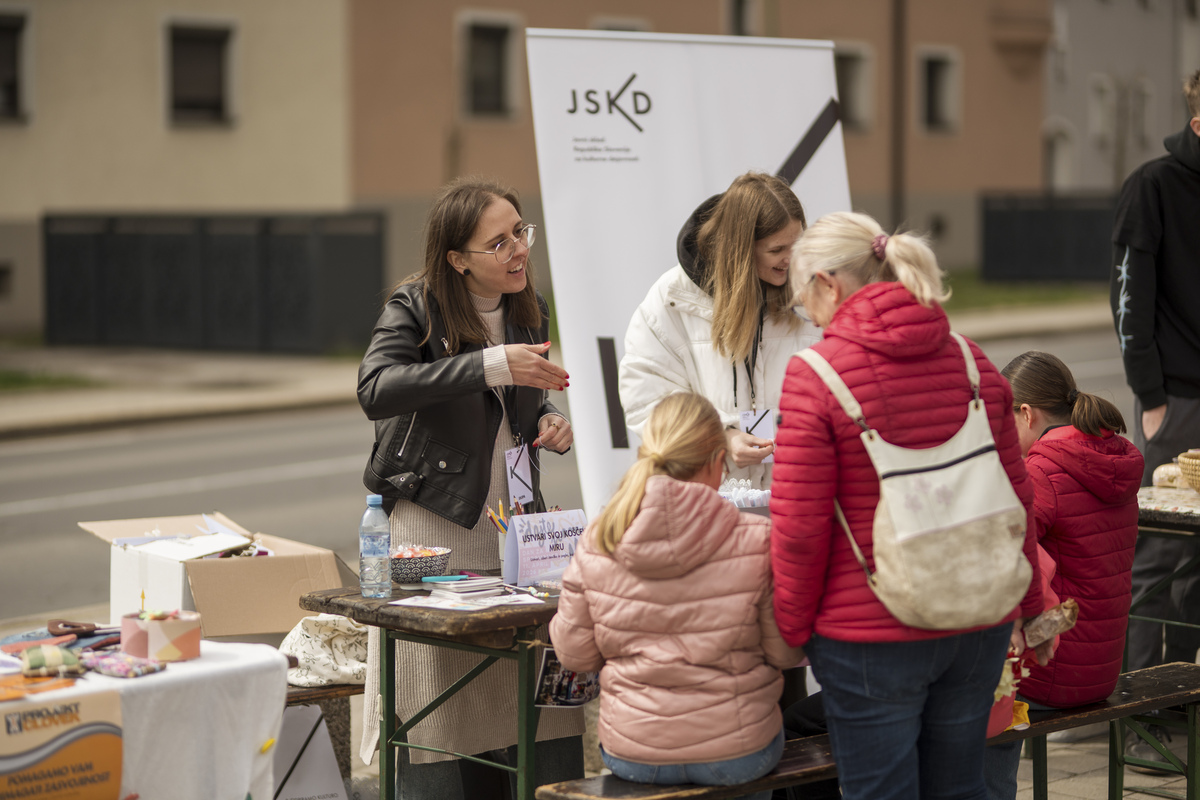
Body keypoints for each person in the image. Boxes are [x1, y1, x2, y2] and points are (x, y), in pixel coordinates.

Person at [770, 211, 1045, 800]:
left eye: (803, 298)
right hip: (979, 618)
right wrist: (1029, 605)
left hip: (870, 633)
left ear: (829, 284)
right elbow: (1015, 495)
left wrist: (792, 628)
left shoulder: (816, 376)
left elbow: (799, 529)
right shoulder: (972, 361)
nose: (808, 316)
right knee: (960, 787)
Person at [357, 176, 583, 799]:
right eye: (499, 242)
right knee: (442, 694)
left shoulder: (528, 305)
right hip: (437, 522)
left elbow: (515, 405)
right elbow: (375, 389)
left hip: (514, 522)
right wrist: (488, 363)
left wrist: (547, 421)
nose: (519, 250)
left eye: (520, 232)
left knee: (529, 686)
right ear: (457, 259)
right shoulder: (416, 305)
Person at [549, 392, 804, 800]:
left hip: (634, 753)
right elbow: (786, 654)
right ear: (718, 462)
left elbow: (575, 656)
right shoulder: (757, 538)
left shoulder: (599, 538)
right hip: (739, 752)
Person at [983, 351, 1143, 799]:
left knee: (971, 689)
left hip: (1054, 670)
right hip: (1103, 669)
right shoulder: (1114, 457)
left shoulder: (1040, 471)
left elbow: (1001, 557)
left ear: (1026, 414)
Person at [619, 172, 822, 488]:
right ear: (741, 249)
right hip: (707, 496)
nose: (791, 259)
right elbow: (647, 401)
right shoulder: (672, 297)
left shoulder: (814, 294)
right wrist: (720, 438)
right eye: (777, 249)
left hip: (796, 492)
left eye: (797, 245)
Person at [1112, 70, 1200, 765]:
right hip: (1180, 402)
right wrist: (1151, 396)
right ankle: (1138, 719)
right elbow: (1128, 295)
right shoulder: (1153, 185)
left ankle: (1183, 699)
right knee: (1160, 560)